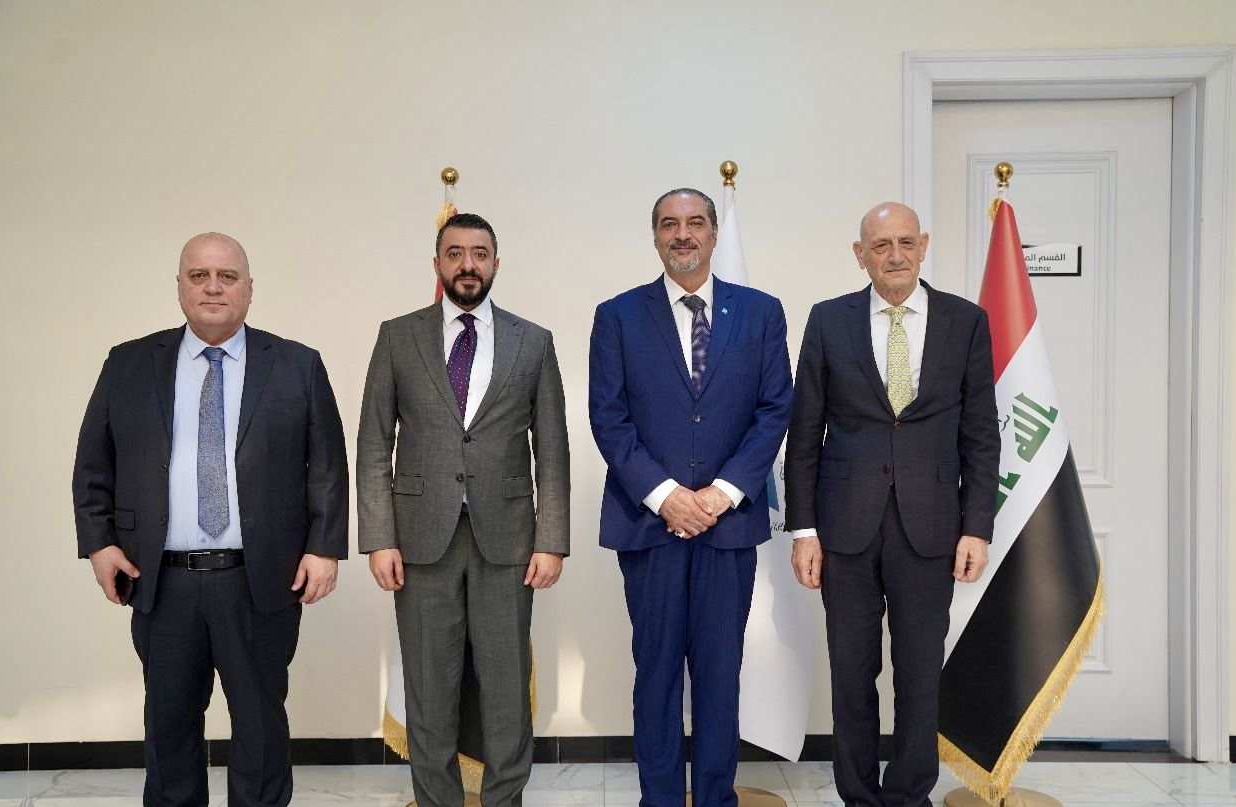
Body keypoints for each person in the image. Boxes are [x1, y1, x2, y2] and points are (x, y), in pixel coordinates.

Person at [72, 232, 349, 807]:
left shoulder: (297, 365)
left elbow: (327, 466)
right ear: (179, 287)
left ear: (249, 288)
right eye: (199, 276)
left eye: (227, 276)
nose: (213, 287)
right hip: (161, 582)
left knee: (261, 729)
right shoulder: (128, 363)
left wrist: (324, 548)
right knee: (168, 728)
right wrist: (99, 544)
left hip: (261, 580)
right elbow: (94, 464)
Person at [784, 202, 1000, 807]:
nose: (895, 255)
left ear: (923, 246)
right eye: (881, 245)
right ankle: (858, 795)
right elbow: (805, 432)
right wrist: (803, 530)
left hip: (933, 527)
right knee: (851, 673)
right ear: (860, 255)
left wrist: (977, 526)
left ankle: (909, 795)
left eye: (906, 242)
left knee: (920, 673)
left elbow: (981, 433)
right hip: (843, 528)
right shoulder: (828, 320)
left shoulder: (966, 321)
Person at [357, 212, 570, 807]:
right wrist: (379, 537)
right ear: (437, 264)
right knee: (429, 693)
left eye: (479, 253)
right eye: (454, 253)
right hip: (419, 542)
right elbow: (374, 442)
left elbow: (552, 449)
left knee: (506, 694)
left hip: (510, 544)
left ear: (496, 263)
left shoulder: (533, 341)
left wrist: (550, 539)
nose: (467, 265)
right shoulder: (398, 336)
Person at [588, 188, 792, 807]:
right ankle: (658, 799)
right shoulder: (618, 316)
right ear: (654, 236)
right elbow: (609, 417)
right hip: (649, 528)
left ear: (712, 234)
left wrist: (721, 495)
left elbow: (774, 410)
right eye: (670, 224)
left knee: (719, 677)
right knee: (655, 676)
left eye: (695, 222)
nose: (683, 233)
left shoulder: (760, 313)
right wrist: (666, 496)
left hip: (728, 527)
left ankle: (714, 798)